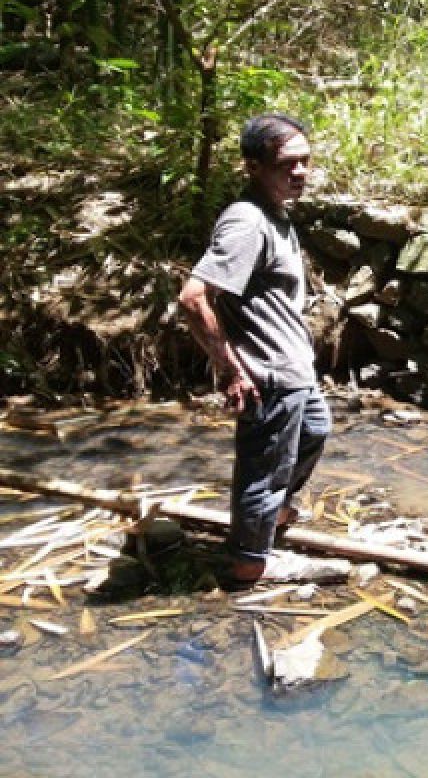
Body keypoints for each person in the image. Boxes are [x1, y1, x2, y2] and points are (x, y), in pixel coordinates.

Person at [178, 113, 331, 584]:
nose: (300, 172)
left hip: (293, 369)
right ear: (253, 166)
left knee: (315, 430)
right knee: (264, 468)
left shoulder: (277, 216)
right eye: (288, 163)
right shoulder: (247, 222)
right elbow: (194, 296)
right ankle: (249, 562)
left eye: (305, 162)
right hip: (268, 372)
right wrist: (231, 369)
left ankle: (274, 517)